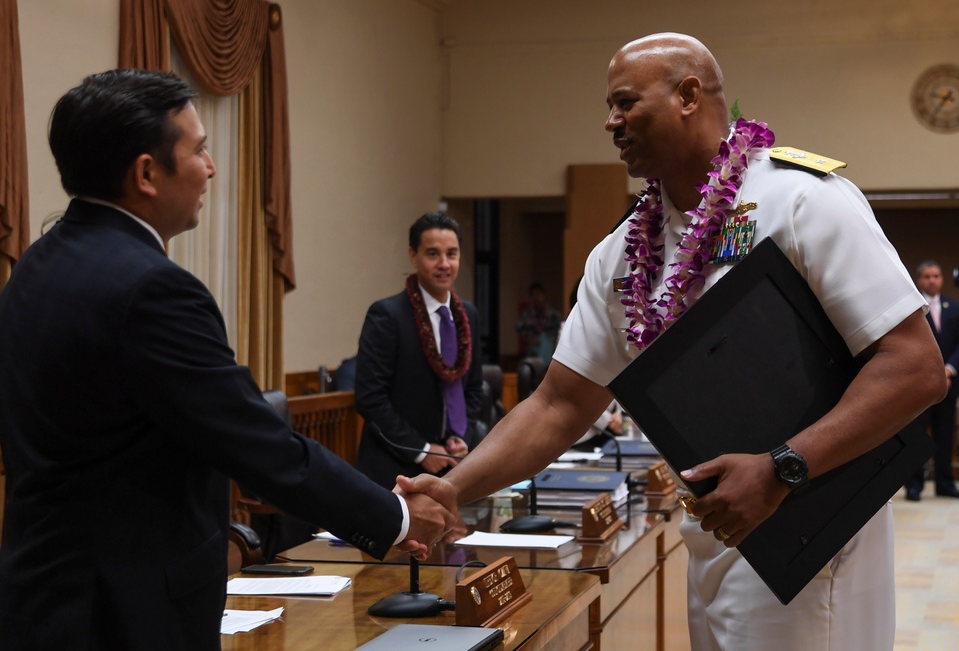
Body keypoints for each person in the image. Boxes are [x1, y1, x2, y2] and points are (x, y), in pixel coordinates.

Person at [398, 33, 946, 651]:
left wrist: (781, 468)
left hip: (811, 534)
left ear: (688, 95)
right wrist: (453, 487)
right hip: (712, 539)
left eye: (625, 102)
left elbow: (916, 368)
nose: (610, 121)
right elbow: (557, 404)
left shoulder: (802, 201)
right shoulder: (622, 253)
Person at [0, 69, 453, 651]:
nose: (210, 168)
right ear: (146, 173)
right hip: (124, 615)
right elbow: (259, 444)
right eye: (199, 149)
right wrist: (396, 518)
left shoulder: (33, 268)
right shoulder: (153, 289)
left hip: (38, 605)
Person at [354, 212, 483, 489]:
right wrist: (422, 450)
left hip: (450, 468)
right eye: (433, 254)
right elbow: (370, 398)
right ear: (413, 256)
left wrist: (463, 437)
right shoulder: (387, 315)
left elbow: (472, 389)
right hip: (394, 470)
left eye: (452, 254)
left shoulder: (468, 314)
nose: (444, 264)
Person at [903, 260, 959, 500]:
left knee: (945, 435)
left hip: (948, 384)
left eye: (936, 275)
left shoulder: (954, 308)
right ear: (919, 280)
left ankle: (945, 483)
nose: (932, 280)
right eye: (927, 276)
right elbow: (909, 346)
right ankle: (914, 485)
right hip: (919, 386)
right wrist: (931, 374)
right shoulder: (911, 308)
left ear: (942, 278)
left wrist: (948, 370)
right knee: (916, 436)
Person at [515, 282, 561, 365]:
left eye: (539, 294)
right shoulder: (527, 314)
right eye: (533, 295)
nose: (537, 297)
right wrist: (530, 340)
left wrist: (548, 340)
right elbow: (519, 330)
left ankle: (543, 367)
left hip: (549, 345)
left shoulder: (553, 314)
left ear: (544, 295)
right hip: (533, 345)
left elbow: (558, 332)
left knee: (546, 343)